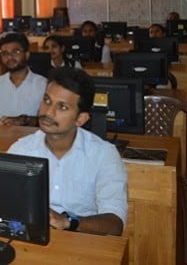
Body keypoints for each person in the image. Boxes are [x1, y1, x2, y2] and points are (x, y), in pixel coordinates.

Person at [7, 67, 128, 236]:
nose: (48, 112)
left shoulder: (103, 155)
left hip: (82, 243)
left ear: (80, 119)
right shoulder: (21, 150)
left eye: (62, 107)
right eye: (47, 101)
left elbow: (115, 224)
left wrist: (67, 222)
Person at [0, 32, 47, 126]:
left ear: (27, 55)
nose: (9, 57)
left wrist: (24, 121)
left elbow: (48, 120)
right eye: (5, 54)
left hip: (32, 138)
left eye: (15, 52)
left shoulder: (43, 85)